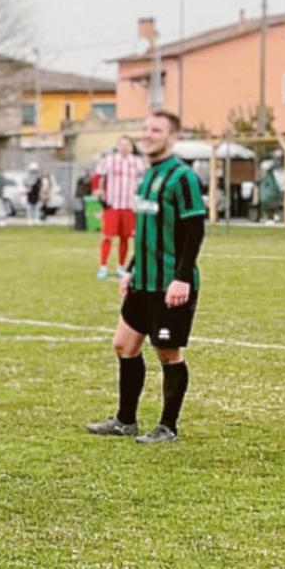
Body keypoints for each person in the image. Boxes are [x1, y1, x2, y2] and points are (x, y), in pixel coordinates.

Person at [86, 111, 205, 445]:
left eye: (157, 129)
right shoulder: (147, 174)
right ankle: (126, 420)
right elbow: (145, 232)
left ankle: (168, 426)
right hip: (143, 281)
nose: (148, 134)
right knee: (123, 345)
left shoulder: (183, 177)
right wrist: (131, 269)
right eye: (145, 128)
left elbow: (194, 230)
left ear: (173, 137)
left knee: (168, 353)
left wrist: (181, 278)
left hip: (170, 283)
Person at [93, 137, 147, 279]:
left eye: (127, 145)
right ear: (117, 146)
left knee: (125, 237)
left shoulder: (137, 162)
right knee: (107, 236)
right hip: (112, 205)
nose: (124, 147)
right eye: (121, 145)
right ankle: (103, 266)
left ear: (131, 147)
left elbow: (146, 178)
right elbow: (97, 177)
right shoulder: (109, 160)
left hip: (129, 206)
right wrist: (99, 194)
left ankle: (121, 267)